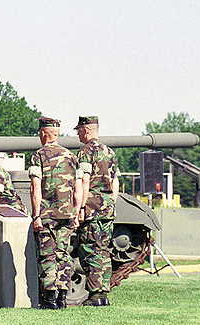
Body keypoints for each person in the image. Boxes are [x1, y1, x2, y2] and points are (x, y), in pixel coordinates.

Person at [29, 117, 82, 309]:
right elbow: (78, 189)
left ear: (43, 133)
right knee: (63, 255)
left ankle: (50, 299)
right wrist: (76, 213)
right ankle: (62, 298)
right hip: (67, 214)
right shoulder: (71, 156)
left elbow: (36, 187)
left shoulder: (38, 156)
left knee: (47, 256)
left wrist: (36, 215)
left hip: (47, 215)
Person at [74, 116, 120, 307]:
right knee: (102, 251)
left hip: (91, 209)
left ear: (86, 130)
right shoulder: (109, 152)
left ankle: (94, 296)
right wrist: (110, 202)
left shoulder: (85, 152)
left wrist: (81, 207)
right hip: (107, 209)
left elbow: (84, 180)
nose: (77, 134)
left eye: (78, 131)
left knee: (89, 251)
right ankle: (103, 295)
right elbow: (115, 181)